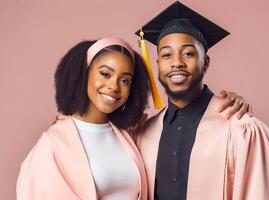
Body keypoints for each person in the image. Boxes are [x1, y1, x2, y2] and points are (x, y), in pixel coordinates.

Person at [16, 37, 248, 200]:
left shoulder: (130, 134)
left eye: (125, 80)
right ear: (84, 73)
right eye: (105, 74)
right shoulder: (53, 145)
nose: (113, 86)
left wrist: (230, 101)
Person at [134, 1, 269, 200]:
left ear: (205, 63)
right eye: (166, 55)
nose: (176, 62)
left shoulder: (241, 129)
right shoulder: (144, 134)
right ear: (158, 65)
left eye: (188, 53)